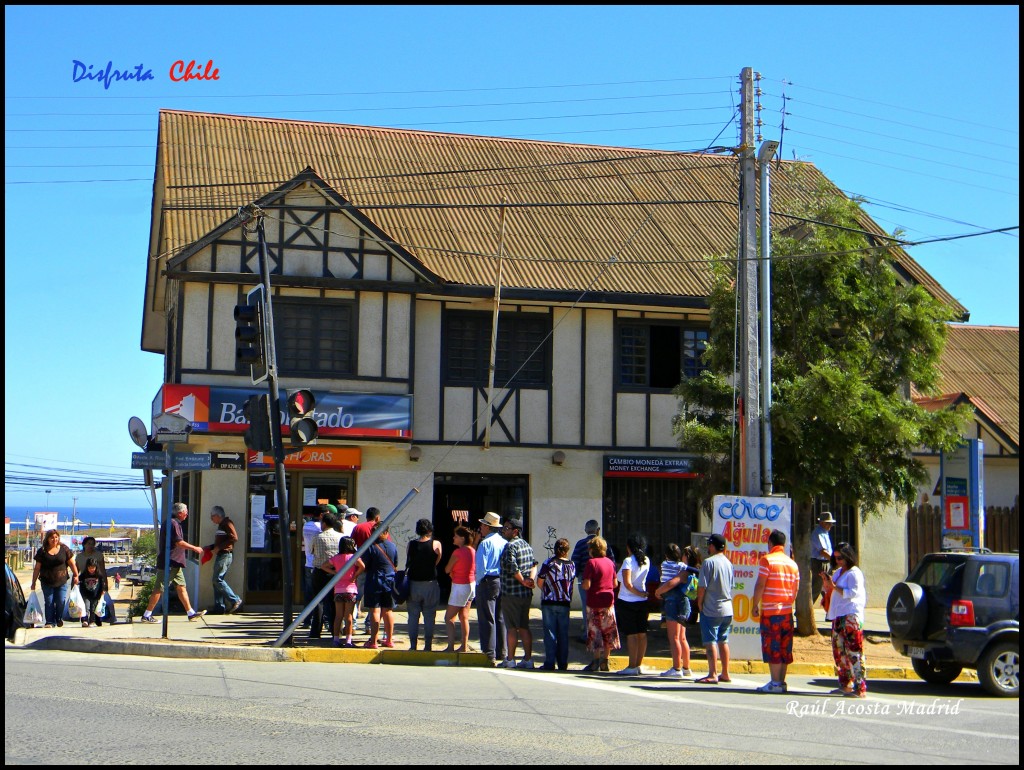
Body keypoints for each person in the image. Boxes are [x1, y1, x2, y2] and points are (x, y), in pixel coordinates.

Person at [751, 529, 800, 694]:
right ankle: (781, 682)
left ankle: (775, 682)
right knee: (785, 648)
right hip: (787, 611)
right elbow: (795, 589)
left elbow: (760, 584)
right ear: (784, 545)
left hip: (771, 613)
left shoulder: (767, 560)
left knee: (773, 647)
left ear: (770, 543)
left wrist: (755, 604)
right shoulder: (792, 563)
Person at [140, 503, 207, 623]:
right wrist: (195, 548)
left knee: (181, 587)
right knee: (159, 588)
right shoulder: (173, 523)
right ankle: (147, 615)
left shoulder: (173, 523)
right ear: (180, 513)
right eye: (186, 512)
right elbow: (178, 543)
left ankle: (190, 613)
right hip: (169, 563)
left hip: (175, 563)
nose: (187, 514)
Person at [824, 542, 868, 698]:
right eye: (835, 558)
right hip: (838, 614)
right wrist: (828, 585)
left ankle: (860, 686)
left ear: (848, 556)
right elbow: (833, 590)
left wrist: (833, 586)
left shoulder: (854, 573)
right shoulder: (838, 572)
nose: (838, 561)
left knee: (854, 651)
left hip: (851, 616)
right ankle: (845, 683)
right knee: (839, 650)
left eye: (840, 558)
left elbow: (852, 593)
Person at [497, 517, 538, 669]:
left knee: (512, 628)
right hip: (525, 595)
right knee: (524, 626)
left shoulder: (510, 546)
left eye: (507, 528)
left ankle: (510, 659)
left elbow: (512, 567)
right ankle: (528, 659)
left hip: (511, 593)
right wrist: (530, 580)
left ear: (515, 531)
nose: (503, 530)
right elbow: (534, 564)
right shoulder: (527, 545)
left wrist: (523, 581)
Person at [654, 543, 700, 678]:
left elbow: (669, 583)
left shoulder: (665, 564)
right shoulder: (683, 567)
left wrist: (659, 591)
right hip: (683, 600)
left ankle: (676, 668)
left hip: (671, 602)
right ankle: (686, 667)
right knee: (682, 637)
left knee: (673, 637)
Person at [695, 532, 734, 684]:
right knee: (723, 640)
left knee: (710, 640)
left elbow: (702, 586)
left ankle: (713, 673)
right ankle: (725, 673)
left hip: (711, 608)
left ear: (712, 546)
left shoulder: (708, 563)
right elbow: (730, 585)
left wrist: (700, 603)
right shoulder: (728, 563)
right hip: (727, 608)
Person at [580, 536, 619, 672]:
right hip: (608, 603)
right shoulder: (610, 562)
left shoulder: (591, 563)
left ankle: (596, 660)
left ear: (592, 550)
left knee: (595, 632)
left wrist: (584, 584)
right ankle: (605, 661)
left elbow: (587, 584)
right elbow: (615, 583)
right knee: (608, 631)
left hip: (594, 602)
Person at [536, 537, 575, 671]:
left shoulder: (549, 563)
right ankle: (563, 663)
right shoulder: (571, 565)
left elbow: (540, 582)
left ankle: (550, 662)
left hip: (549, 601)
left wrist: (548, 591)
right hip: (565, 602)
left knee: (550, 633)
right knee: (563, 634)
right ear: (567, 551)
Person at [615, 533, 651, 676]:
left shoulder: (628, 561)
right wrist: (642, 594)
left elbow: (627, 583)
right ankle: (638, 665)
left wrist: (638, 593)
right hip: (642, 603)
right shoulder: (646, 560)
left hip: (627, 600)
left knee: (631, 635)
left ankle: (631, 665)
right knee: (642, 634)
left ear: (629, 547)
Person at [474, 511, 507, 663]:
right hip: (501, 580)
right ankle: (502, 651)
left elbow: (481, 568)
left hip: (488, 580)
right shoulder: (504, 542)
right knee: (499, 617)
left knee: (487, 617)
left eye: (483, 524)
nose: (481, 527)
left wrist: (479, 582)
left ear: (487, 527)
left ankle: (489, 652)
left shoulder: (485, 543)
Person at [405, 519, 442, 652]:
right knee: (429, 615)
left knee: (413, 616)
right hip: (430, 583)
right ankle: (428, 645)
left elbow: (409, 560)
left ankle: (413, 645)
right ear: (430, 530)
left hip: (413, 583)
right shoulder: (436, 544)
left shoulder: (411, 544)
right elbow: (437, 560)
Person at [321, 536, 364, 648]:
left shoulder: (336, 558)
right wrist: (354, 576)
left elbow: (323, 566)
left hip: (338, 589)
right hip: (350, 588)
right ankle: (348, 640)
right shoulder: (354, 557)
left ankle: (336, 639)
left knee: (338, 615)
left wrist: (335, 573)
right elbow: (362, 566)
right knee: (348, 616)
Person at [363, 522, 399, 649]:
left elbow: (365, 565)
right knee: (388, 610)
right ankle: (389, 640)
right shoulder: (393, 546)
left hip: (374, 580)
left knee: (375, 610)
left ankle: (373, 641)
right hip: (390, 580)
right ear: (386, 532)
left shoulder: (370, 547)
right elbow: (395, 563)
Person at [309, 512, 343, 639]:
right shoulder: (341, 537)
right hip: (336, 572)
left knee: (318, 602)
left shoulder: (317, 537)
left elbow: (311, 551)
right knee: (335, 602)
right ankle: (336, 631)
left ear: (324, 523)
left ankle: (315, 631)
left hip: (320, 571)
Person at [443, 525, 476, 652]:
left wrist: (452, 573)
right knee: (464, 616)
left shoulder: (457, 552)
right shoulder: (472, 551)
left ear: (462, 538)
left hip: (460, 585)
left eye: (456, 536)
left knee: (449, 617)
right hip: (471, 584)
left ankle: (450, 646)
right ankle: (464, 645)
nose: (453, 538)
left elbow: (447, 569)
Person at [570, 520, 601, 642]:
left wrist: (577, 576)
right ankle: (599, 633)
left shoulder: (581, 544)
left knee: (586, 605)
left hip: (584, 578)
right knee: (600, 606)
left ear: (585, 530)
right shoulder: (604, 544)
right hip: (601, 578)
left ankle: (588, 634)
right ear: (597, 530)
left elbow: (575, 562)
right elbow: (611, 560)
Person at [209, 506, 242, 614]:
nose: (211, 519)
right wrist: (212, 547)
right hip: (221, 554)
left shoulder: (227, 523)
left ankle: (235, 600)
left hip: (225, 555)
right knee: (216, 581)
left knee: (217, 579)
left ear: (218, 516)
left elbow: (234, 537)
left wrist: (219, 547)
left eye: (212, 516)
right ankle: (219, 607)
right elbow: (223, 540)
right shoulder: (221, 525)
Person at [301, 505, 325, 627]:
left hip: (308, 562)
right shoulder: (319, 527)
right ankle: (320, 620)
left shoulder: (306, 525)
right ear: (321, 515)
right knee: (320, 594)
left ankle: (306, 619)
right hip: (318, 563)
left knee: (309, 592)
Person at [810, 511, 836, 605]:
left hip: (825, 562)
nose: (830, 525)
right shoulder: (818, 533)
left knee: (826, 588)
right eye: (828, 523)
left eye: (831, 523)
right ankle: (804, 610)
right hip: (819, 563)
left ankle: (829, 611)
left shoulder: (824, 533)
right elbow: (823, 551)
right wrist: (834, 560)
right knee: (817, 587)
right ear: (821, 523)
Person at [78, 558, 107, 627]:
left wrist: (103, 591)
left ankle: (92, 621)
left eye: (93, 567)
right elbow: (78, 580)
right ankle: (84, 620)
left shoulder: (99, 575)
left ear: (96, 567)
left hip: (96, 595)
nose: (91, 569)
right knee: (85, 607)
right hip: (86, 594)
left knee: (93, 608)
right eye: (90, 567)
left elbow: (102, 584)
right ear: (87, 567)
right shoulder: (84, 575)